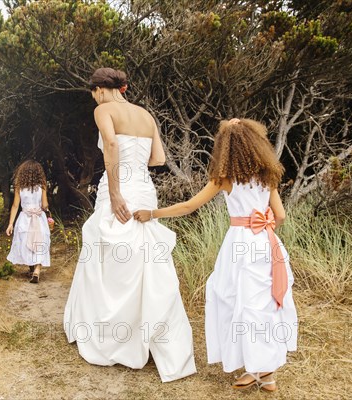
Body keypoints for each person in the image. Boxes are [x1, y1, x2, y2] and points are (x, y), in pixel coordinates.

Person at [134, 118, 298, 392]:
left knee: (237, 302)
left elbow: (188, 206)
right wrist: (265, 227)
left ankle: (260, 368)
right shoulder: (268, 177)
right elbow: (280, 216)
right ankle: (264, 371)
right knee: (264, 306)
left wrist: (153, 213)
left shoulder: (224, 180)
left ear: (226, 148)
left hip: (239, 244)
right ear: (257, 144)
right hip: (267, 244)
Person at [63, 67, 197, 383]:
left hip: (119, 187)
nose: (94, 98)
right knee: (143, 260)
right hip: (144, 188)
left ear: (99, 90)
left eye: (93, 93)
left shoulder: (103, 110)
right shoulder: (144, 115)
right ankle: (144, 334)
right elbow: (158, 159)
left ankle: (112, 336)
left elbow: (110, 146)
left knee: (108, 258)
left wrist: (113, 192)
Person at [6, 160, 52, 283]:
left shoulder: (19, 187)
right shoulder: (42, 186)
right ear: (39, 173)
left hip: (24, 219)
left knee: (26, 243)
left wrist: (10, 224)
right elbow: (45, 205)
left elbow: (15, 206)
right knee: (40, 243)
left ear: (23, 173)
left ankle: (32, 269)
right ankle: (36, 270)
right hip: (38, 218)